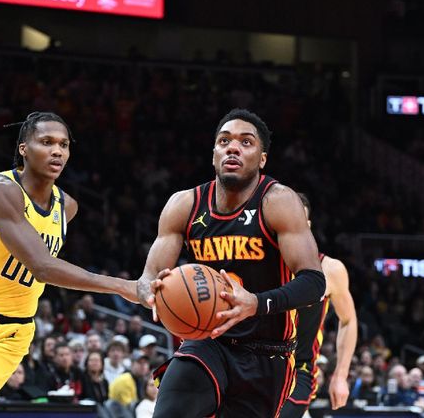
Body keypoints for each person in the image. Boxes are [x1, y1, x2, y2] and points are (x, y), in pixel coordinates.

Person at [0, 112, 138, 418]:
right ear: (23, 148)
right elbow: (42, 266)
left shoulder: (67, 207)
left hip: (9, 333)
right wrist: (122, 286)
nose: (58, 151)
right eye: (47, 142)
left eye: (64, 145)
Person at [137, 108, 325, 417]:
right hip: (208, 341)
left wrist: (256, 303)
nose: (233, 147)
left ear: (262, 159)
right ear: (214, 154)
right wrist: (149, 290)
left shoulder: (278, 201)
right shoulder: (184, 204)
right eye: (224, 141)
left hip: (268, 354)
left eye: (246, 142)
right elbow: (148, 277)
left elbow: (314, 283)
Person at [281, 193, 358, 417]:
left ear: (308, 225)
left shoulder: (330, 269)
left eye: (297, 221)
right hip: (252, 365)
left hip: (299, 370)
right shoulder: (255, 262)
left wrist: (340, 375)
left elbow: (348, 320)